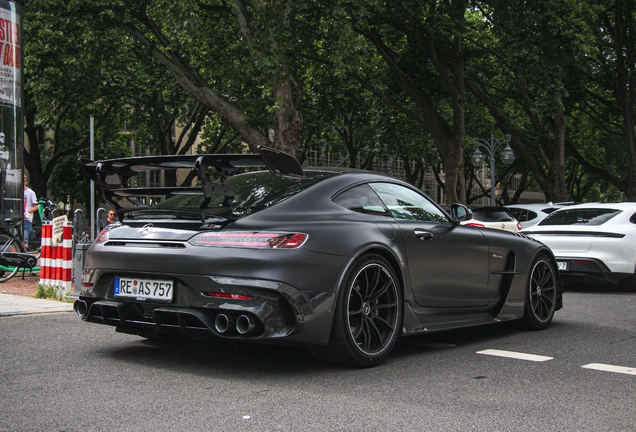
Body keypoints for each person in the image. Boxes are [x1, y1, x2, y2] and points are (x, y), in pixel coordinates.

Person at [23, 175, 38, 251]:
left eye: (24, 181)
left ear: (26, 182)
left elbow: (36, 206)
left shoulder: (31, 193)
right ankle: (27, 247)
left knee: (26, 231)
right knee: (29, 231)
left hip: (26, 217)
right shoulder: (15, 191)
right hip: (18, 216)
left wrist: (27, 211)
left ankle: (26, 247)